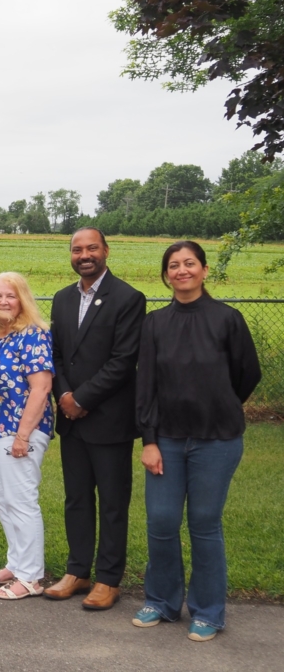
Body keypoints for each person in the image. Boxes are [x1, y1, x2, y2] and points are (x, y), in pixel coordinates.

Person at [132, 241, 261, 642]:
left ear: (204, 270)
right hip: (166, 441)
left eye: (190, 263)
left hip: (217, 441)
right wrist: (149, 440)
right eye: (174, 265)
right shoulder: (155, 323)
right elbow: (145, 385)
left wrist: (219, 402)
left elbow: (247, 374)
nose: (182, 270)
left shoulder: (227, 319)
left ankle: (208, 611)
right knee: (161, 521)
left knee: (204, 523)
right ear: (166, 275)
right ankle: (162, 601)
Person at [45, 227, 146, 610]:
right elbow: (55, 355)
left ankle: (108, 579)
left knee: (113, 502)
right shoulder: (62, 298)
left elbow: (123, 360)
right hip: (72, 420)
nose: (84, 255)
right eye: (77, 249)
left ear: (106, 250)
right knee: (76, 499)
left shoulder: (128, 298)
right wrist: (64, 396)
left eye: (91, 248)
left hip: (110, 420)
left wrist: (82, 398)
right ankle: (78, 571)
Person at [0, 272, 54, 600]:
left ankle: (31, 577)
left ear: (23, 300)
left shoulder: (32, 335)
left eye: (11, 295)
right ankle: (17, 563)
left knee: (21, 501)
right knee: (1, 498)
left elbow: (41, 388)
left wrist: (23, 435)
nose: (4, 301)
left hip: (19, 430)